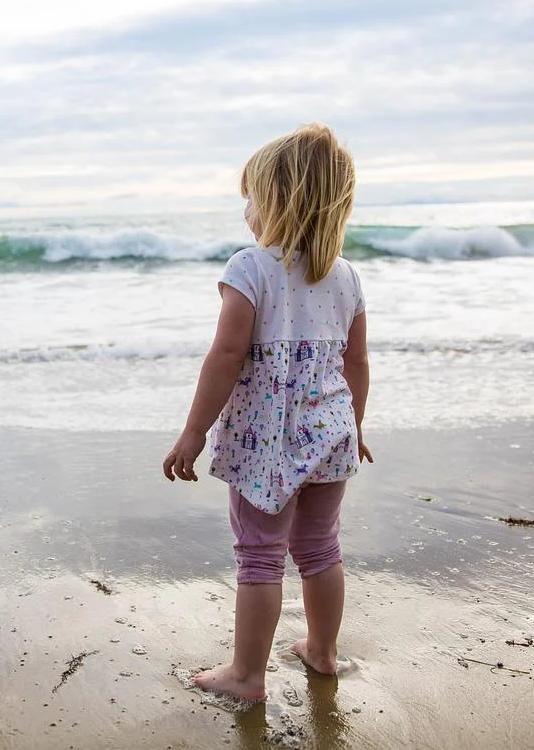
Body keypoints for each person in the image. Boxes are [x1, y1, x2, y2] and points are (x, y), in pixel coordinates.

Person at [162, 122, 372, 703]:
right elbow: (356, 365)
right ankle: (324, 654)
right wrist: (355, 428)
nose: (247, 211)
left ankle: (248, 677)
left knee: (259, 554)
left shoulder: (250, 267)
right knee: (320, 546)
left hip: (268, 442)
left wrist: (193, 431)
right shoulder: (347, 275)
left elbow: (227, 356)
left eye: (252, 197)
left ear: (278, 201)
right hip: (332, 433)